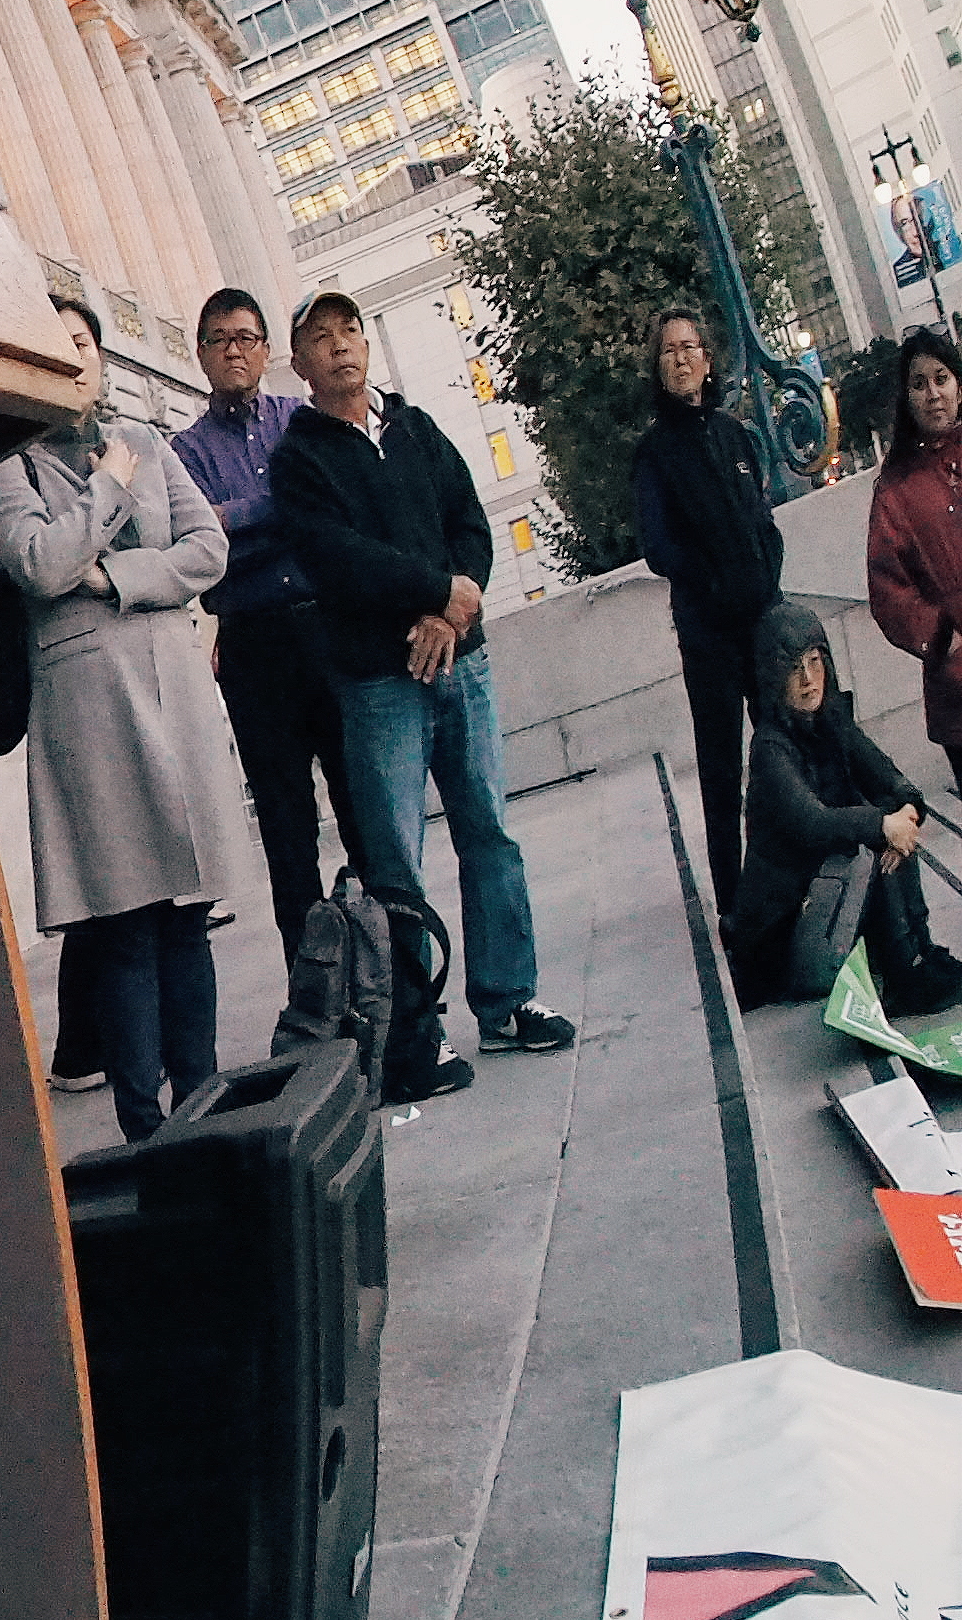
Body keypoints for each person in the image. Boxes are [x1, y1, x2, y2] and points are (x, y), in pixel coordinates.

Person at [269, 288, 565, 1085]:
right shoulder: (301, 459)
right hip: (378, 686)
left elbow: (470, 522)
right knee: (396, 861)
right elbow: (340, 558)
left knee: (490, 835)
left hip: (461, 664)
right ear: (298, 362)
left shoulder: (418, 429)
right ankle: (415, 1034)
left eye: (350, 330)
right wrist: (437, 592)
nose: (340, 347)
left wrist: (452, 612)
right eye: (320, 338)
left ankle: (508, 1002)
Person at [0, 295, 239, 1140]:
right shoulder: (7, 459)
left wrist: (116, 577)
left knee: (186, 915)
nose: (73, 357)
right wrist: (110, 487)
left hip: (174, 695)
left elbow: (209, 549)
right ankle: (144, 1130)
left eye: (83, 343)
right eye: (54, 344)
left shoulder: (148, 441)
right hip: (89, 711)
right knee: (125, 926)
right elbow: (39, 563)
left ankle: (201, 1108)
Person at [172, 283, 360, 957]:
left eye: (245, 338)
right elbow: (199, 543)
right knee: (286, 827)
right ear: (200, 354)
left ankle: (386, 973)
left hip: (328, 631)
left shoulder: (300, 419)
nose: (233, 351)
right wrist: (280, 511)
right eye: (220, 340)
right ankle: (314, 987)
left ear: (266, 349)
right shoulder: (182, 452)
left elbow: (325, 509)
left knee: (361, 805)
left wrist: (240, 515)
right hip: (252, 648)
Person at [629, 304, 789, 923]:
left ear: (708, 358)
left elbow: (763, 519)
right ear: (657, 365)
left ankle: (793, 880)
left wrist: (764, 574)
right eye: (668, 350)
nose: (681, 358)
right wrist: (717, 582)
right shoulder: (653, 453)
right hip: (709, 636)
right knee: (723, 772)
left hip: (763, 626)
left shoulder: (734, 433)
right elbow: (659, 548)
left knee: (785, 753)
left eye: (690, 347)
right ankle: (735, 908)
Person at [726, 604, 962, 1009]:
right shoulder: (769, 749)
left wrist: (902, 816)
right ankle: (905, 972)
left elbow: (895, 782)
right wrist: (883, 827)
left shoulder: (834, 722)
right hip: (782, 931)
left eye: (814, 662)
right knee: (871, 840)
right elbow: (812, 823)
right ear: (772, 677)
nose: (807, 679)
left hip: (829, 901)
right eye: (793, 668)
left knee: (889, 831)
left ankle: (917, 953)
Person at [861, 326, 962, 781]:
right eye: (919, 384)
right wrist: (943, 638)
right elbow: (888, 591)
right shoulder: (896, 489)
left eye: (941, 378)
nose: (933, 394)